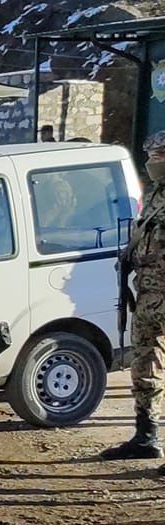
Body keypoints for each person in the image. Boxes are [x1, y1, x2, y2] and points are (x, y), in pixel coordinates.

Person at [103, 133, 165, 461]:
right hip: (148, 298)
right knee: (144, 366)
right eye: (151, 154)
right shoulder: (156, 195)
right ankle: (145, 436)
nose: (152, 161)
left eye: (160, 154)